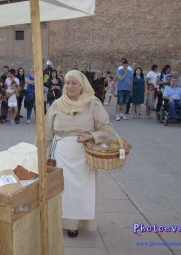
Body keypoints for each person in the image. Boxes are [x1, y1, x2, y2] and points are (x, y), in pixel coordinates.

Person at [45, 70, 111, 238]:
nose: (70, 86)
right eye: (67, 82)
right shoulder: (57, 104)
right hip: (61, 155)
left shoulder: (93, 104)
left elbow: (106, 128)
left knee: (81, 191)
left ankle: (77, 223)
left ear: (82, 85)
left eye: (74, 83)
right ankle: (65, 222)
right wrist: (37, 154)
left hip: (84, 156)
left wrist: (92, 136)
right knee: (63, 191)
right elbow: (46, 133)